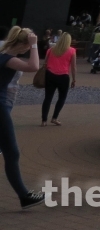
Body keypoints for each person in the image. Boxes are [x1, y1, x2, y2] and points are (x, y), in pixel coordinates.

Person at [0, 27, 46, 208]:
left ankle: (24, 195)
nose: (29, 49)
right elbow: (33, 66)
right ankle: (24, 196)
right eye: (28, 45)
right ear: (23, 44)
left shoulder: (4, 55)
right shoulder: (9, 59)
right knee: (12, 152)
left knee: (10, 152)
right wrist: (35, 46)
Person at [41, 32, 76, 126]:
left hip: (50, 75)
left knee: (48, 98)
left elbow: (45, 63)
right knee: (62, 98)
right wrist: (74, 79)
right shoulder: (72, 51)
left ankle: (44, 120)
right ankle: (54, 118)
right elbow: (73, 67)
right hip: (63, 76)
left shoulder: (51, 49)